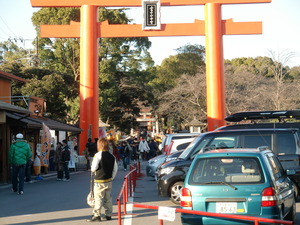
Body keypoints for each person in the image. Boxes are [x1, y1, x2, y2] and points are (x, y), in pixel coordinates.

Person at [87, 138, 118, 222]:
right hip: (109, 180)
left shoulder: (98, 155)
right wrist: (112, 177)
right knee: (108, 198)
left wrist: (93, 170)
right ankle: (108, 214)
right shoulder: (112, 156)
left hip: (99, 180)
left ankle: (97, 215)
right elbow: (115, 169)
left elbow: (94, 168)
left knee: (98, 198)